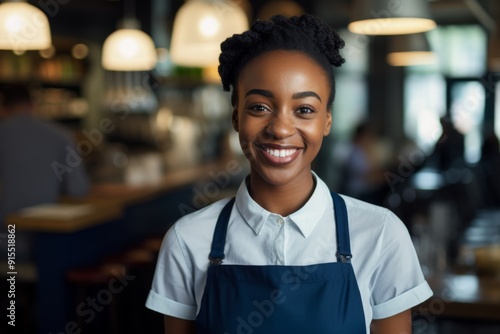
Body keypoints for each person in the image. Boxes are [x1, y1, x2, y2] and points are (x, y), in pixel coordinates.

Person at [146, 15, 432, 333]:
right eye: (259, 107)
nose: (280, 128)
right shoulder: (187, 240)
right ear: (236, 117)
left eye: (304, 110)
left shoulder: (381, 234)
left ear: (326, 121)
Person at [0, 84, 89, 261]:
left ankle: (12, 288)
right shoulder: (60, 135)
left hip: (5, 238)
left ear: (3, 108)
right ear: (33, 106)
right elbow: (78, 190)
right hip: (48, 239)